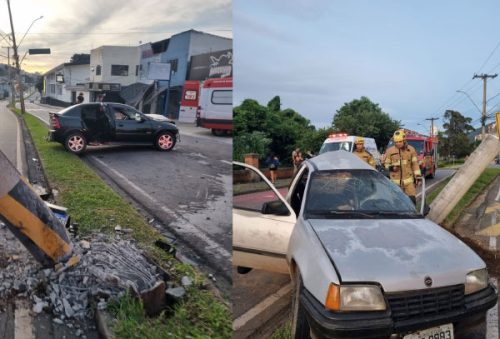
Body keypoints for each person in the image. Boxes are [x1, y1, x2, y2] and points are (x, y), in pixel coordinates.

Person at [384, 129, 422, 204]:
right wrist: (392, 168)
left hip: (409, 182)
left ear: (404, 140)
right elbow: (386, 164)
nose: (398, 144)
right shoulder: (389, 151)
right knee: (397, 204)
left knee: (412, 202)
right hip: (395, 183)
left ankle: (411, 215)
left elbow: (415, 164)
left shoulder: (411, 150)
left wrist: (418, 177)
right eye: (396, 142)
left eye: (400, 141)